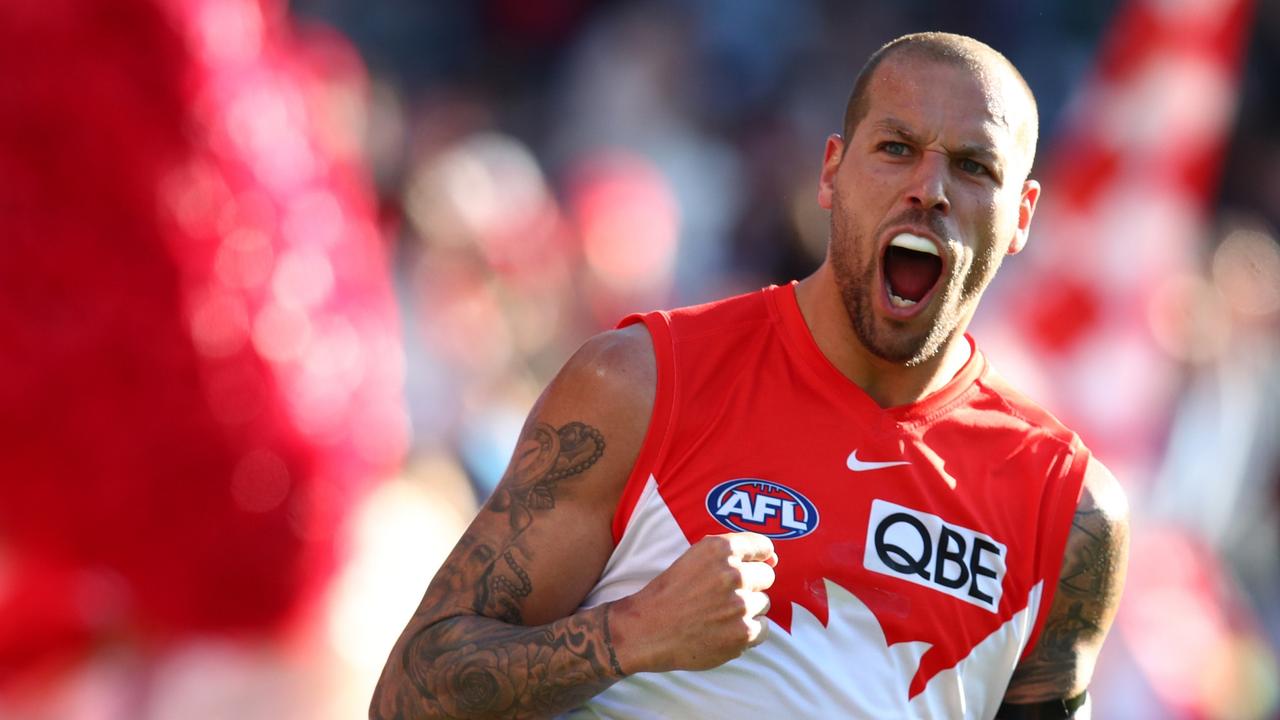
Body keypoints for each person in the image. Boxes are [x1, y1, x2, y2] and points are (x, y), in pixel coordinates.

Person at [371, 31, 1129, 720]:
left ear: (1023, 214)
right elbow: (409, 693)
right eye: (897, 148)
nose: (929, 190)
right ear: (832, 172)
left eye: (973, 166)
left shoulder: (1067, 510)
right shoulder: (641, 384)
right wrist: (632, 634)